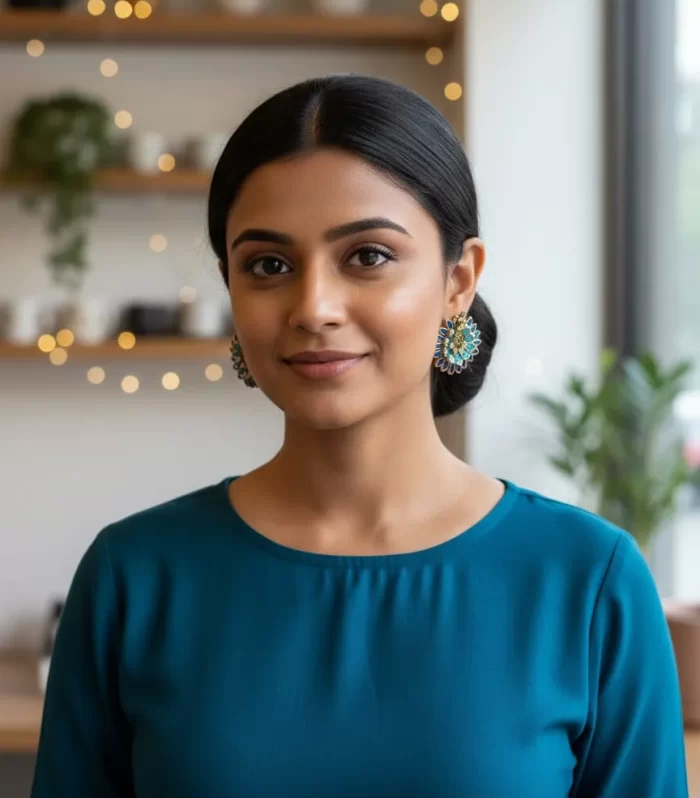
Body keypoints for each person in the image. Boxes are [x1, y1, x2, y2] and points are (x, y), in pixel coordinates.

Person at [31, 75, 688, 797]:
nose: (314, 307)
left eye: (368, 256)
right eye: (268, 265)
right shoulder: (134, 577)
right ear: (231, 289)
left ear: (458, 280)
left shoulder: (588, 582)